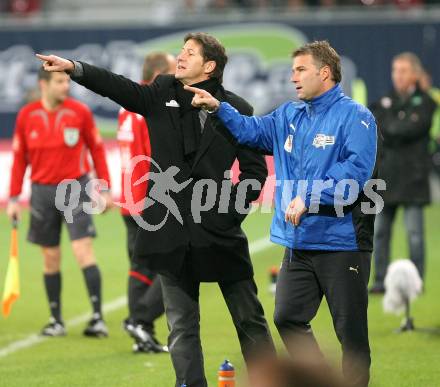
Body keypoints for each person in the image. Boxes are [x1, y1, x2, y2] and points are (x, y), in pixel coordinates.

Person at [36, 32, 275, 387]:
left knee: (249, 318)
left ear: (208, 66)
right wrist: (74, 68)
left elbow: (255, 173)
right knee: (181, 324)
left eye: (189, 53)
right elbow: (116, 86)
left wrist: (228, 214)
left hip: (219, 232)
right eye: (181, 51)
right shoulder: (161, 92)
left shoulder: (237, 109)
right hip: (169, 232)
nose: (180, 57)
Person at [187, 40, 378, 387]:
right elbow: (251, 131)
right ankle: (322, 380)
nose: (293, 78)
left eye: (300, 70)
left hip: (341, 240)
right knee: (287, 316)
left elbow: (355, 173)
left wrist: (310, 197)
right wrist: (218, 108)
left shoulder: (356, 117)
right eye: (292, 71)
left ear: (324, 73)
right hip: (299, 240)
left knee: (350, 333)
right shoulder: (289, 114)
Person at [6, 67, 112, 337]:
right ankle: (56, 320)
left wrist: (104, 188)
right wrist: (14, 198)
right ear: (44, 84)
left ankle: (97, 318)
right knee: (50, 258)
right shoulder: (27, 116)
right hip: (41, 193)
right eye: (60, 81)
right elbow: (19, 160)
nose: (67, 86)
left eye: (67, 80)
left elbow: (97, 150)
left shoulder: (80, 112)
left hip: (75, 187)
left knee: (82, 251)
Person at [118, 52, 176, 353]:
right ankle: (140, 320)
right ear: (158, 75)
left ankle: (141, 330)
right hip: (148, 199)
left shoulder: (127, 107)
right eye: (172, 68)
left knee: (140, 267)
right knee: (174, 263)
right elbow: (156, 157)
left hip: (130, 199)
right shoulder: (149, 107)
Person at [369, 53, 436, 294]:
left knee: (415, 234)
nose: (398, 75)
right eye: (395, 70)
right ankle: (379, 280)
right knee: (380, 233)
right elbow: (382, 128)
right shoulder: (384, 100)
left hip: (413, 178)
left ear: (415, 74)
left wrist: (392, 126)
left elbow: (411, 128)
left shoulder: (426, 102)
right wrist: (397, 126)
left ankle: (416, 283)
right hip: (385, 177)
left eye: (404, 70)